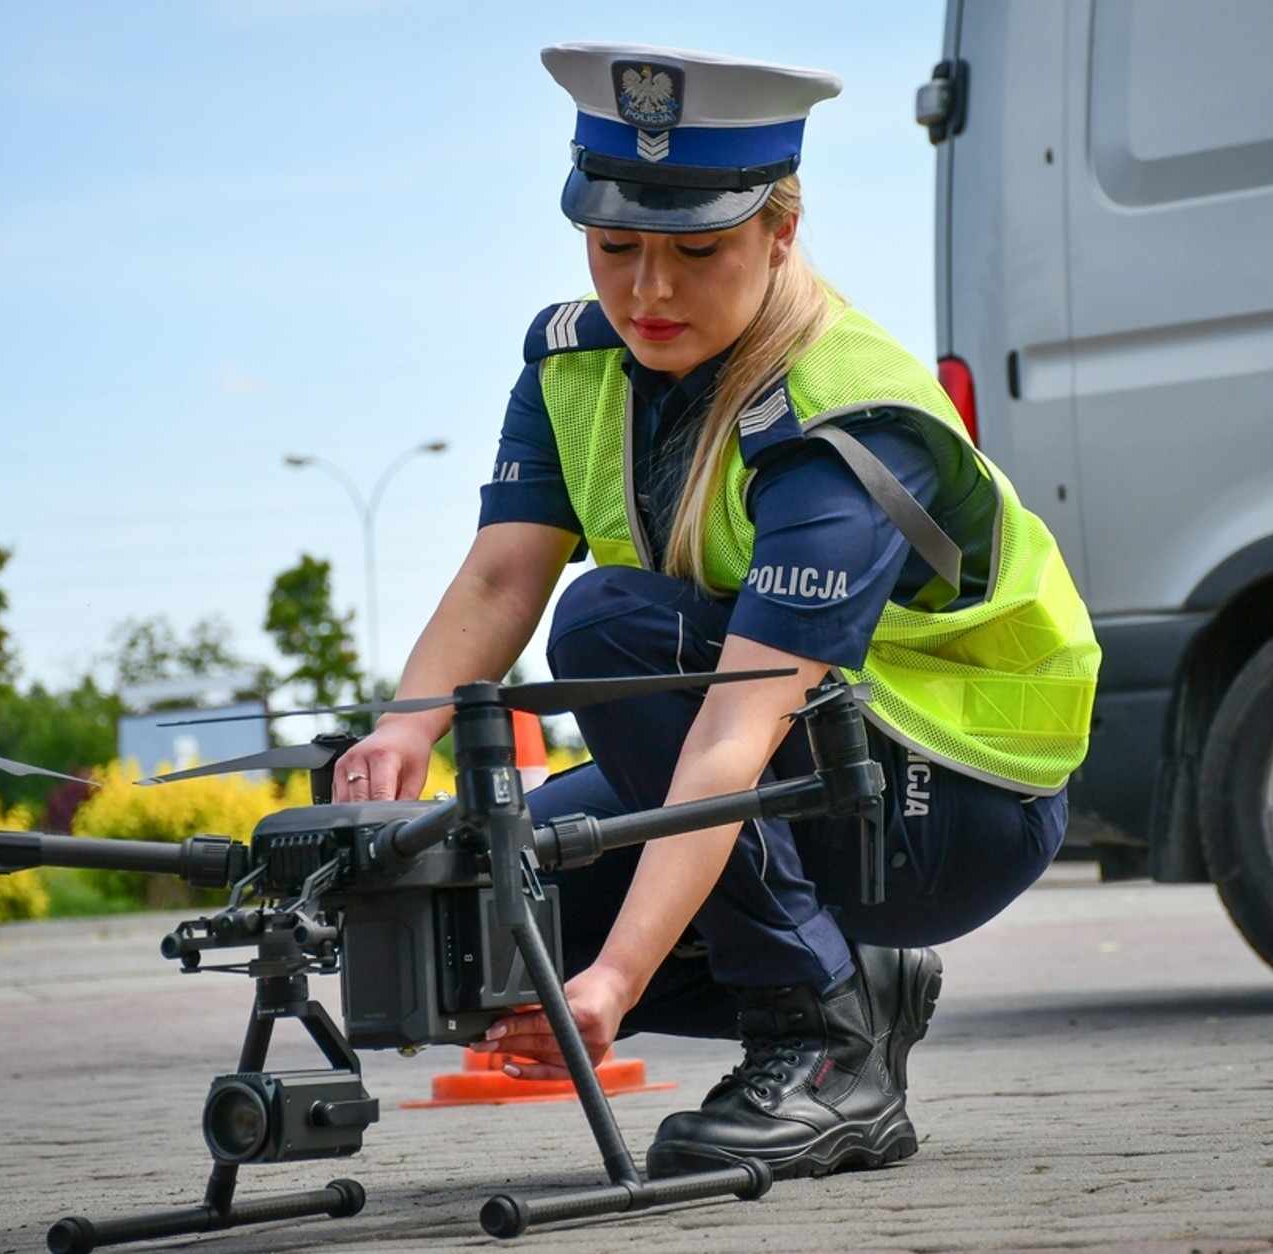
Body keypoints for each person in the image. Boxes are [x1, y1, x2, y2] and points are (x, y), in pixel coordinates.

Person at [332, 43, 1099, 1180]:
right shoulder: (571, 364)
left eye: (696, 251)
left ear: (778, 234)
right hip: (815, 759)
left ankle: (819, 1047)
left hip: (955, 798)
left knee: (608, 630)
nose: (647, 291)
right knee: (502, 915)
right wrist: (406, 727)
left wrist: (617, 984)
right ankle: (849, 975)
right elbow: (501, 575)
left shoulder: (849, 415)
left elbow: (734, 732)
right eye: (613, 247)